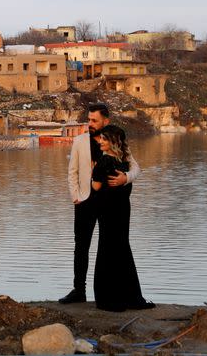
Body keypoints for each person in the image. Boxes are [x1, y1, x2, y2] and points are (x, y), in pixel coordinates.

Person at [58, 103, 141, 304]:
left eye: (94, 120)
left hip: (109, 204)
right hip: (85, 200)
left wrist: (126, 178)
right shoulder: (79, 141)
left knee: (112, 245)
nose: (90, 123)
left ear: (106, 121)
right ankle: (79, 291)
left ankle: (114, 291)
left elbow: (136, 168)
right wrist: (75, 196)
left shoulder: (115, 141)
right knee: (81, 246)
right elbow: (72, 172)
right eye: (89, 119)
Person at [91, 125, 154, 311]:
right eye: (100, 138)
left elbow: (95, 187)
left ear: (114, 142)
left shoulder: (121, 160)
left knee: (113, 249)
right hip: (115, 210)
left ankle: (116, 297)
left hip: (115, 210)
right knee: (115, 249)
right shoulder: (117, 161)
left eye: (104, 138)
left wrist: (124, 179)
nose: (100, 141)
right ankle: (119, 298)